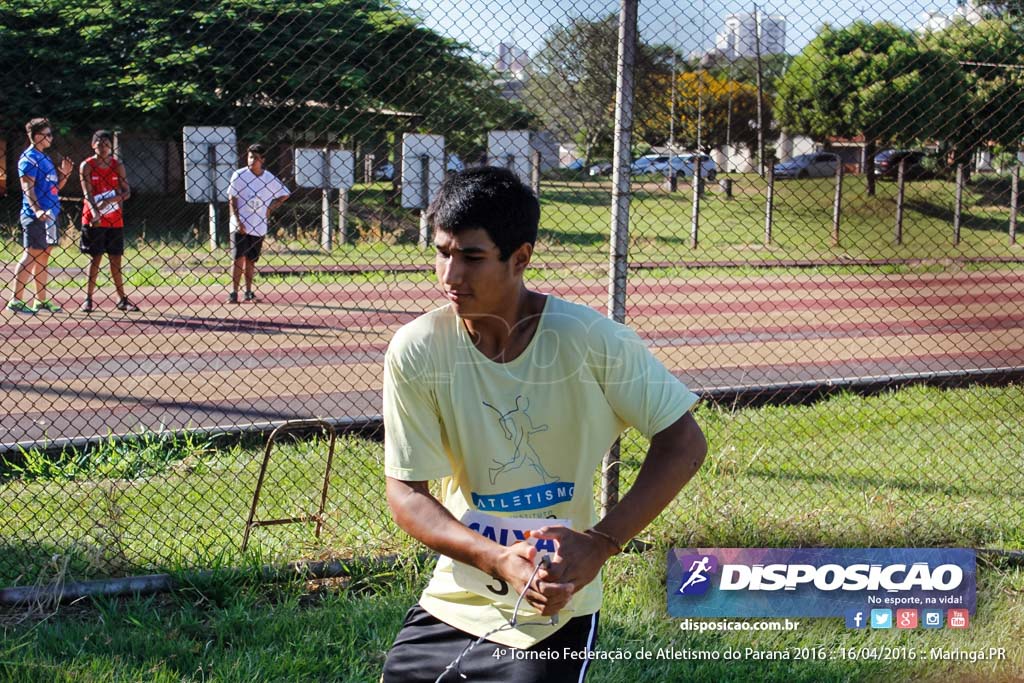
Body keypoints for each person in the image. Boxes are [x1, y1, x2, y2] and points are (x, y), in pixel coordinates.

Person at [381, 167, 708, 682]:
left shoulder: (595, 341)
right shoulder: (418, 349)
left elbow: (683, 442)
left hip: (554, 605)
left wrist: (600, 544)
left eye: (471, 257)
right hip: (455, 595)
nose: (450, 276)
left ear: (521, 258)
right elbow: (406, 494)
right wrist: (496, 559)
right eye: (443, 252)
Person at [7, 118, 73, 314]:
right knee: (31, 254)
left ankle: (40, 300)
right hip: (36, 215)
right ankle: (15, 300)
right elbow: (27, 188)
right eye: (48, 134)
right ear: (37, 136)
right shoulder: (29, 158)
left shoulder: (45, 158)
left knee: (44, 255)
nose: (51, 138)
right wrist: (36, 210)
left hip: (50, 214)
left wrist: (65, 175)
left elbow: (55, 188)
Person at [79, 130, 138, 312]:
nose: (103, 148)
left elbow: (126, 191)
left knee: (116, 259)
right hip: (94, 218)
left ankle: (122, 298)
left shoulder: (117, 165)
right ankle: (88, 298)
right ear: (93, 145)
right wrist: (96, 211)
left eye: (106, 145)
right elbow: (87, 193)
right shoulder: (87, 166)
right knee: (95, 257)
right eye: (100, 144)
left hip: (114, 219)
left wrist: (111, 200)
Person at [226, 144, 290, 303]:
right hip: (240, 224)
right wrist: (238, 220)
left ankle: (248, 291)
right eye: (250, 157)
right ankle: (234, 292)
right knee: (238, 257)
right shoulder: (239, 175)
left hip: (258, 225)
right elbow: (232, 198)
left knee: (251, 259)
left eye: (255, 158)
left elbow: (285, 194)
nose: (252, 160)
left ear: (263, 160)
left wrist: (271, 207)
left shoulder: (268, 178)